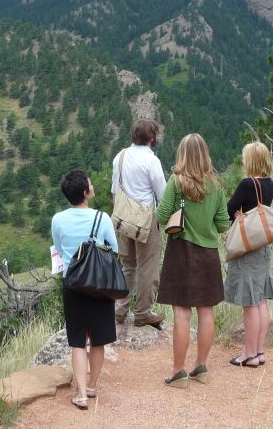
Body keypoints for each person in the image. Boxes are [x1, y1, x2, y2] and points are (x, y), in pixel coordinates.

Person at [155, 133, 227, 388]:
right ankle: (201, 367)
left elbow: (162, 215)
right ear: (205, 154)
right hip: (208, 254)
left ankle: (178, 372)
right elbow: (222, 224)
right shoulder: (217, 185)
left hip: (181, 253)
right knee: (206, 311)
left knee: (182, 314)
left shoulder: (176, 182)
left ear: (182, 154)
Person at [52, 170, 119, 410]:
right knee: (98, 339)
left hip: (73, 284)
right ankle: (91, 385)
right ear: (85, 192)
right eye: (90, 183)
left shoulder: (57, 219)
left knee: (78, 341)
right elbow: (114, 248)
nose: (93, 185)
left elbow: (59, 249)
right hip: (99, 285)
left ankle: (80, 394)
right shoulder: (102, 218)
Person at [223, 142, 273, 368]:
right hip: (262, 245)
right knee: (261, 299)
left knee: (250, 303)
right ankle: (260, 351)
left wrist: (237, 214)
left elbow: (230, 208)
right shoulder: (269, 183)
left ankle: (249, 354)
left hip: (247, 248)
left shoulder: (247, 183)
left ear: (251, 160)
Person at [111, 119, 167, 328]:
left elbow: (115, 190)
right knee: (147, 267)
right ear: (152, 138)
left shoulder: (120, 156)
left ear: (133, 135)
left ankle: (120, 310)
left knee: (127, 265)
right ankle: (143, 313)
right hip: (145, 219)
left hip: (124, 217)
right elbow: (162, 194)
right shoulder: (151, 161)